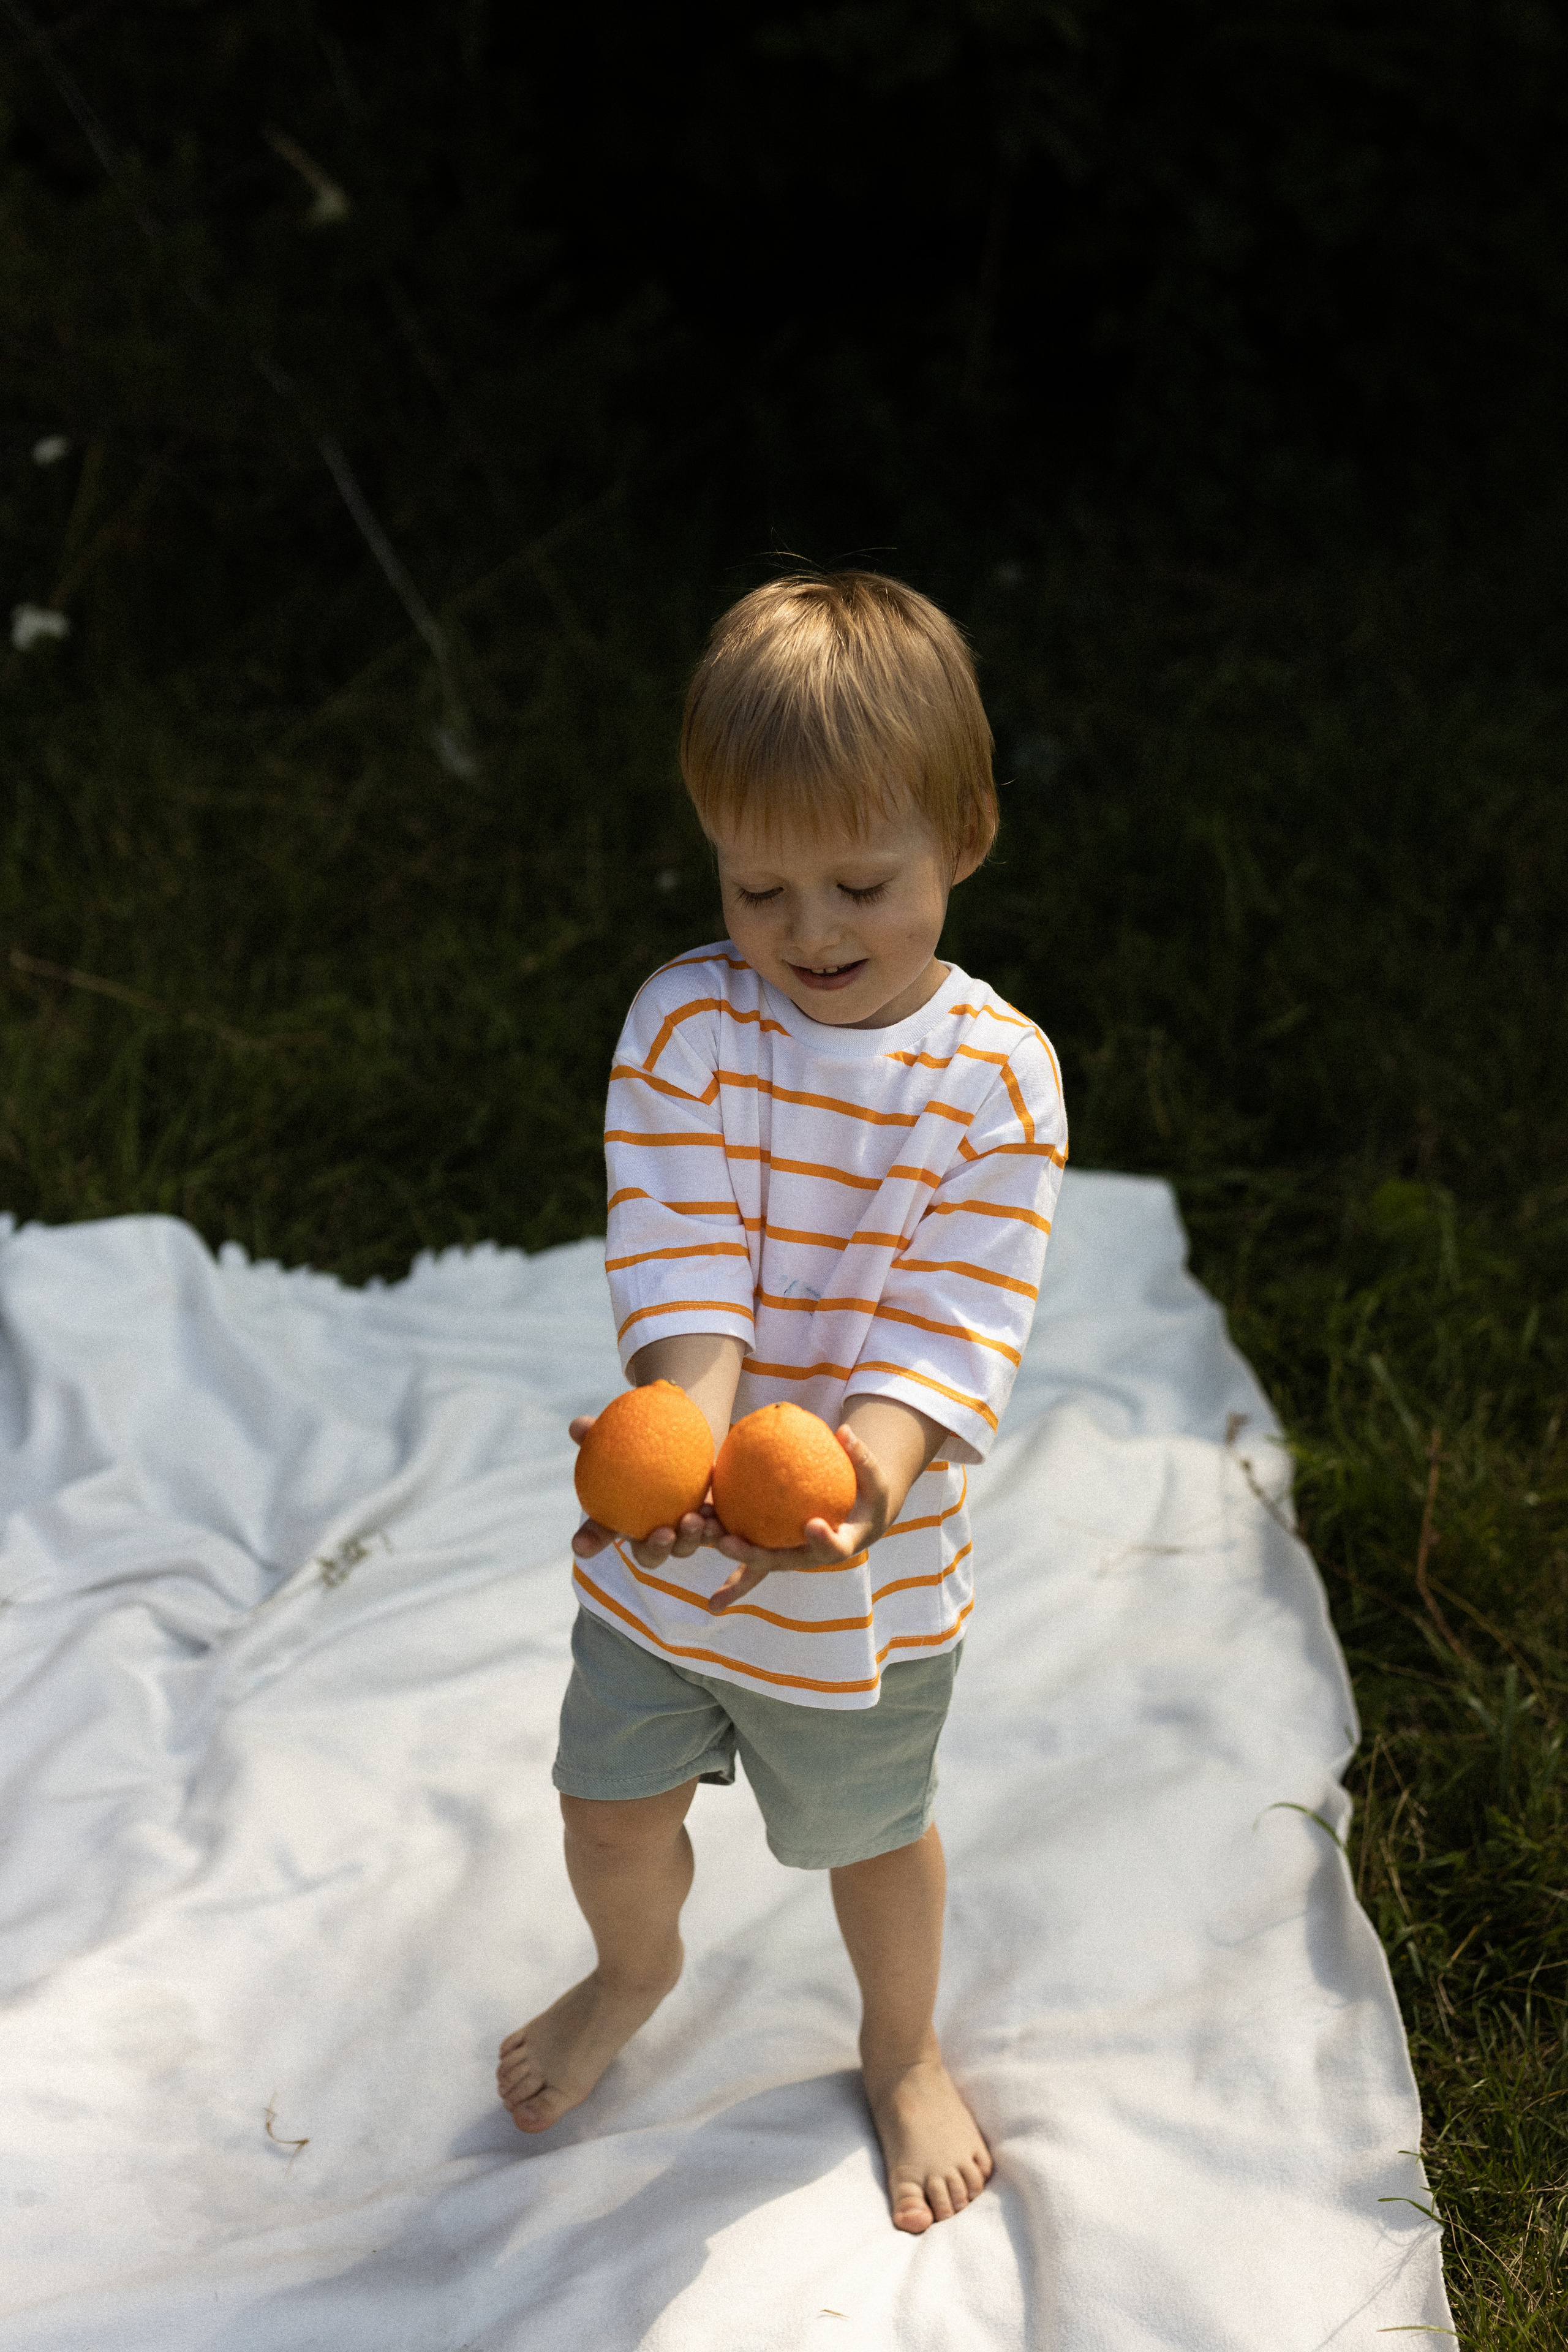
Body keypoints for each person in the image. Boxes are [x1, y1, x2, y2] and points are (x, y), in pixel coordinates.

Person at [497, 569, 1067, 2234]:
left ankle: (902, 2047)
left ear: (965, 836)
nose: (807, 933)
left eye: (859, 886)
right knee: (606, 1811)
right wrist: (673, 1449)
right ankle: (634, 1971)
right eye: (758, 889)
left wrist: (856, 1491)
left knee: (873, 1837)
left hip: (860, 1576)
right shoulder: (687, 1025)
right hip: (673, 1566)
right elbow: (687, 1273)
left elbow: (952, 1327)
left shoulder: (995, 1082)